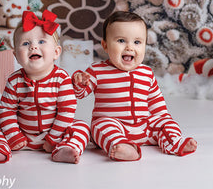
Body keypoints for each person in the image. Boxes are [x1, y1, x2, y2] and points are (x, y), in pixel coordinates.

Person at [72, 11, 197, 161]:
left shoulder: (146, 73)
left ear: (145, 45)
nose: (130, 47)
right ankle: (121, 146)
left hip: (143, 128)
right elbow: (80, 93)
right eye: (121, 41)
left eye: (137, 42)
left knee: (165, 121)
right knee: (100, 126)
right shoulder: (97, 70)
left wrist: (164, 121)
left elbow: (157, 105)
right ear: (105, 45)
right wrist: (80, 82)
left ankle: (174, 142)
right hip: (114, 125)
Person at [0, 10, 90, 164]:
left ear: (56, 52)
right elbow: (6, 109)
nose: (33, 47)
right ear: (16, 55)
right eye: (26, 43)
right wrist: (14, 135)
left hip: (55, 134)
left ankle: (65, 149)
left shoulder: (61, 79)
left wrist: (53, 138)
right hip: (22, 136)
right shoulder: (15, 80)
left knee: (81, 127)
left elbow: (66, 110)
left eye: (41, 42)